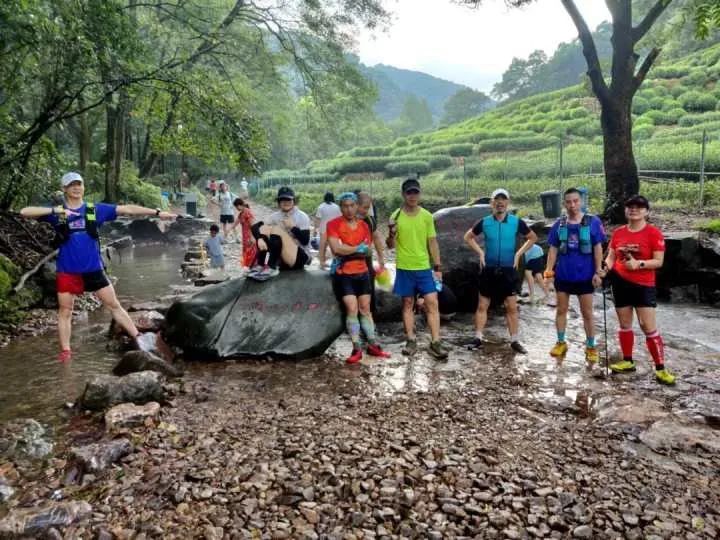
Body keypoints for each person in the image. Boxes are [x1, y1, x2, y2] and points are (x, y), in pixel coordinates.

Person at [19, 171, 176, 361]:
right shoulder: (57, 213)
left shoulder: (95, 210)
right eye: (72, 185)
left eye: (79, 184)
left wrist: (158, 213)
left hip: (94, 269)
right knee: (65, 311)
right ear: (65, 189)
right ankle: (66, 353)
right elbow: (24, 212)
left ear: (83, 187)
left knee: (114, 305)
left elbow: (127, 209)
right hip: (67, 271)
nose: (76, 187)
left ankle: (138, 337)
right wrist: (55, 211)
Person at [598, 195, 676, 385]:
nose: (634, 210)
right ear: (626, 211)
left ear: (646, 211)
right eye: (630, 207)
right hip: (620, 282)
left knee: (647, 326)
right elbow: (611, 256)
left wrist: (638, 264)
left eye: (639, 207)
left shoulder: (653, 233)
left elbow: (659, 261)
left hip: (643, 283)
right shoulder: (618, 233)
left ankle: (660, 368)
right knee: (625, 324)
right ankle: (627, 361)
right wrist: (605, 268)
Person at [463, 188, 537, 353]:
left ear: (507, 203)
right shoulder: (485, 221)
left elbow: (533, 238)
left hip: (508, 270)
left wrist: (518, 253)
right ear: (492, 203)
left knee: (511, 306)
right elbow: (468, 237)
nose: (500, 203)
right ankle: (478, 338)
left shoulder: (516, 221)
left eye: (503, 200)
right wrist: (480, 252)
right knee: (483, 305)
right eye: (497, 200)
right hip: (488, 269)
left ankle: (515, 341)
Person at [386, 178, 448, 360]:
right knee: (407, 303)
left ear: (419, 194)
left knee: (432, 302)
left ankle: (435, 342)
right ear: (403, 194)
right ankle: (411, 340)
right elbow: (390, 245)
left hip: (423, 267)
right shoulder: (395, 216)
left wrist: (437, 267)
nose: (412, 196)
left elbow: (432, 242)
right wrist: (391, 233)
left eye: (415, 192)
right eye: (409, 193)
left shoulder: (427, 216)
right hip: (405, 266)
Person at [327, 192, 392, 364]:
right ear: (340, 207)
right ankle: (356, 347)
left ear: (356, 206)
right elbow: (336, 249)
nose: (348, 209)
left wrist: (349, 248)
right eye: (345, 206)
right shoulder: (333, 224)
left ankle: (373, 344)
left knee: (365, 309)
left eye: (351, 205)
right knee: (352, 309)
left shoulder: (364, 225)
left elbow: (368, 250)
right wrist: (357, 248)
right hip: (344, 274)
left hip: (362, 272)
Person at [543, 188, 606, 364]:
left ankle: (591, 345)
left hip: (585, 276)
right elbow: (553, 249)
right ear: (564, 204)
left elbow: (598, 248)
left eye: (576, 201)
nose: (572, 205)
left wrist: (598, 272)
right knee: (561, 310)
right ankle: (561, 341)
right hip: (563, 276)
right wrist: (549, 272)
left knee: (587, 313)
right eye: (569, 202)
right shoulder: (559, 224)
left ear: (581, 201)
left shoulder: (593, 222)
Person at [249, 186, 312, 280]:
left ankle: (271, 267)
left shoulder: (302, 216)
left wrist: (293, 227)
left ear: (293, 201)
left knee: (275, 229)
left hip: (299, 257)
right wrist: (259, 239)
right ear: (278, 203)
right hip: (283, 258)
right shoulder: (275, 216)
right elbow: (256, 227)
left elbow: (305, 241)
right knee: (264, 229)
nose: (285, 202)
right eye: (282, 200)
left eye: (288, 200)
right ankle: (261, 265)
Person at [314, 192, 341, 268]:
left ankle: (322, 263)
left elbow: (318, 219)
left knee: (322, 247)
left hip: (323, 230)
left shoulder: (321, 207)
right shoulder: (337, 207)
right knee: (334, 247)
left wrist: (315, 230)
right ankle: (336, 263)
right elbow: (340, 219)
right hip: (334, 230)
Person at [229, 198, 257, 271]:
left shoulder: (247, 212)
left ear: (239, 205)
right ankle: (249, 268)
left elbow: (252, 225)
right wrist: (229, 230)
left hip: (250, 236)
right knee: (247, 253)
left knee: (251, 253)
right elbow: (235, 223)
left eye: (236, 207)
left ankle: (253, 268)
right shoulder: (241, 213)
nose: (236, 208)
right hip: (245, 237)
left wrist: (252, 236)